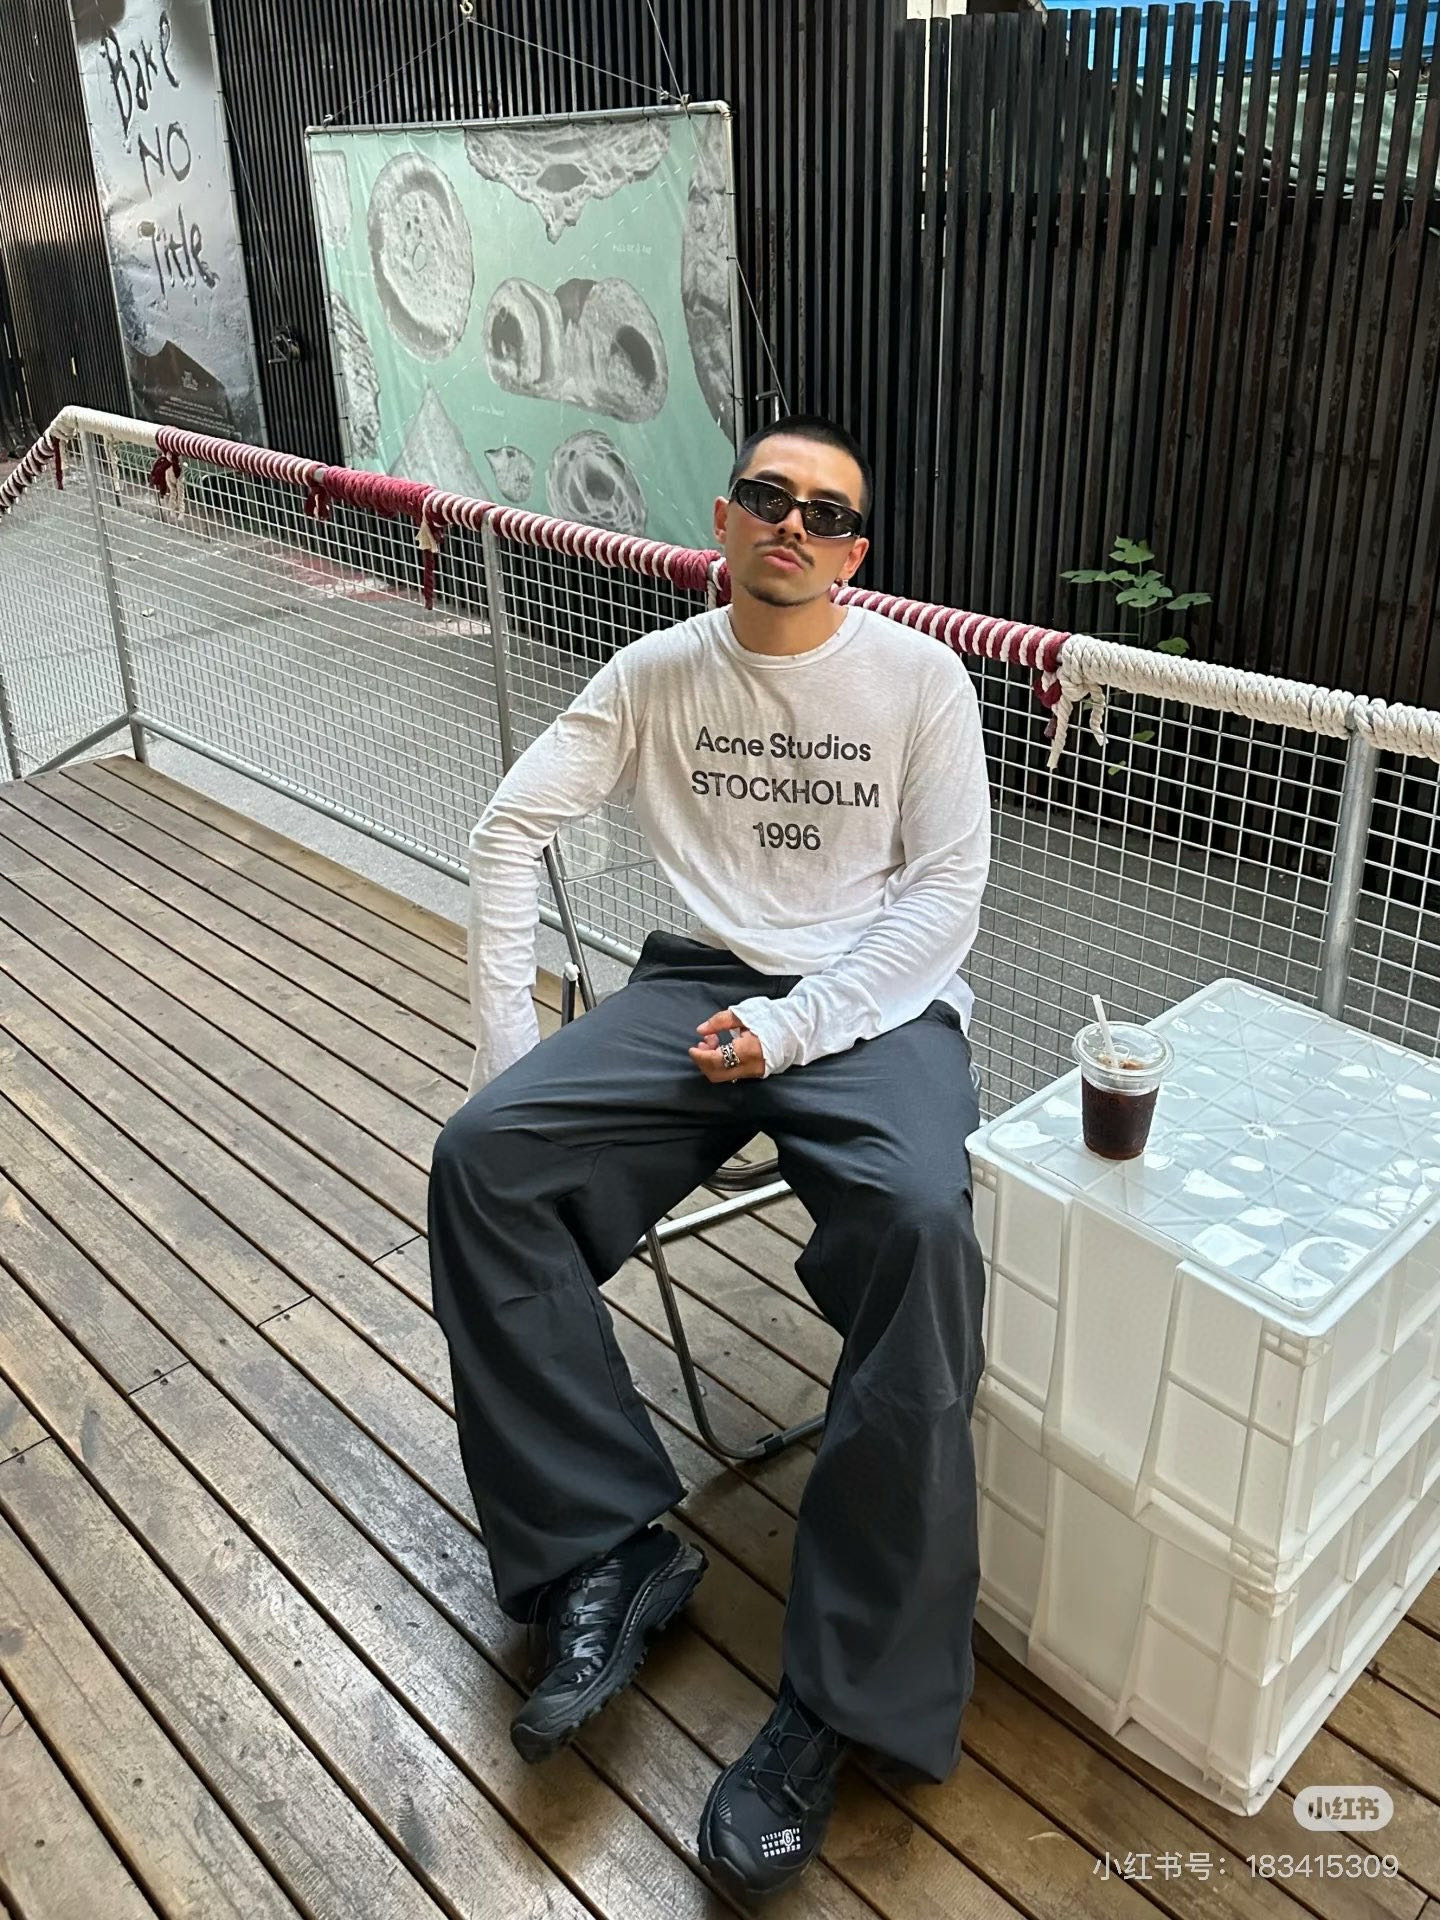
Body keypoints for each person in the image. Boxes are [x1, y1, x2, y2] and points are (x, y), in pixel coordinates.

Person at [429, 413, 992, 1900]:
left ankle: (843, 1692)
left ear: (856, 554)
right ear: (725, 521)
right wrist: (511, 1060)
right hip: (695, 987)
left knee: (922, 1226)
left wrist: (799, 1028)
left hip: (874, 1001)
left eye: (829, 512)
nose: (795, 523)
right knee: (485, 1157)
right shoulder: (656, 673)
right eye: (768, 495)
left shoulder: (920, 682)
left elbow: (944, 903)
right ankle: (603, 1548)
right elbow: (504, 831)